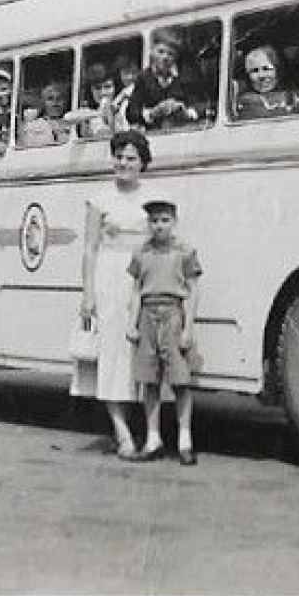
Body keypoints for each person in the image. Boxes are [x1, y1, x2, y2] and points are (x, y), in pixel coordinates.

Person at [71, 129, 153, 459]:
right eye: (118, 156)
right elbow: (90, 249)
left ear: (143, 162)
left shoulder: (155, 196)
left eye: (131, 158)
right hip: (109, 278)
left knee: (142, 355)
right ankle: (122, 434)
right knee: (110, 355)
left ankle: (149, 433)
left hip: (143, 279)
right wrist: (88, 293)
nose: (123, 163)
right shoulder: (99, 199)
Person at [126, 198, 203, 464]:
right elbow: (136, 290)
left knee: (180, 382)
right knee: (149, 381)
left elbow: (193, 291)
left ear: (174, 221)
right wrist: (132, 323)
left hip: (173, 314)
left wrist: (188, 328)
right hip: (148, 314)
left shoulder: (185, 251)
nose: (159, 226)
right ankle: (153, 438)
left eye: (165, 220)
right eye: (154, 220)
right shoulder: (142, 252)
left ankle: (184, 440)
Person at [127, 29, 208, 131]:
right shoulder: (143, 78)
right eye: (160, 52)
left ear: (176, 57)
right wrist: (153, 113)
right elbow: (131, 113)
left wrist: (187, 112)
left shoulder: (186, 77)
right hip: (154, 134)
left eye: (170, 54)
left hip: (183, 132)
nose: (165, 57)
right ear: (152, 52)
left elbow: (204, 104)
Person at [233, 44, 299, 120]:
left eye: (266, 69)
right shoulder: (246, 103)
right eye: (254, 71)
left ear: (277, 70)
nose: (261, 76)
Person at [66, 64, 118, 140]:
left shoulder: (122, 108)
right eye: (97, 88)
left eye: (107, 87)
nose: (103, 92)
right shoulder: (89, 112)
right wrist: (99, 113)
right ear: (91, 90)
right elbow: (68, 118)